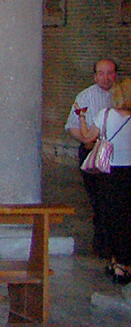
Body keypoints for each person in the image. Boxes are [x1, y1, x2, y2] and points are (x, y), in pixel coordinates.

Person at [68, 57, 119, 257]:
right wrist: (85, 139)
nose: (106, 78)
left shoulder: (122, 95)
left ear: (115, 74)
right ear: (94, 75)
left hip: (117, 155)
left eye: (110, 73)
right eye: (101, 73)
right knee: (99, 200)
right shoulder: (85, 96)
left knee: (114, 200)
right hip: (92, 151)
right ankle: (102, 245)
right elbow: (72, 125)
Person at [82, 78, 131, 282]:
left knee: (110, 217)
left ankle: (116, 263)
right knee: (127, 217)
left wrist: (83, 119)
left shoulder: (106, 115)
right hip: (129, 172)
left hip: (109, 172)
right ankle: (124, 262)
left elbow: (87, 139)